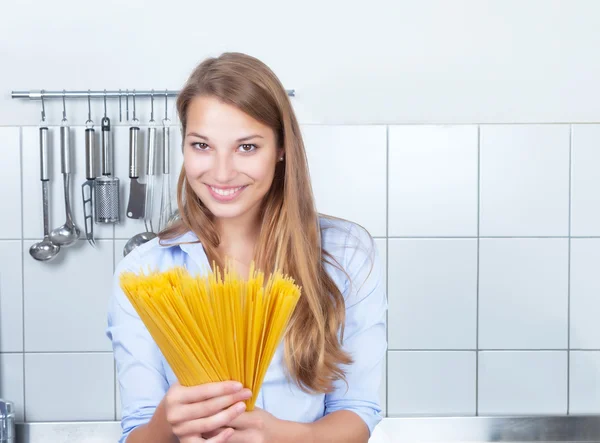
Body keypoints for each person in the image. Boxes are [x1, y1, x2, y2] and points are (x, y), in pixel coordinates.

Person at [106, 52, 387, 443]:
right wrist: (165, 423)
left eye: (247, 147)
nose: (221, 172)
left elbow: (357, 413)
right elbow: (135, 433)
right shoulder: (143, 273)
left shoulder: (346, 254)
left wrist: (276, 435)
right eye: (202, 145)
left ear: (281, 148)